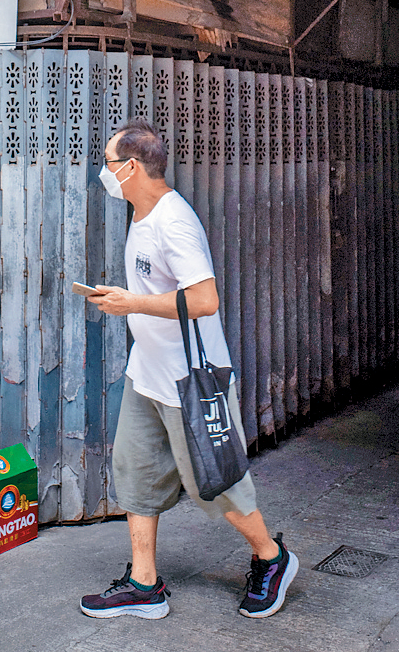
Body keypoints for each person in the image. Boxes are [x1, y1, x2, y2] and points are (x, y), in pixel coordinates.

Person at [79, 119, 298, 621]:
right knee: (136, 474)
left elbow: (204, 299)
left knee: (214, 483)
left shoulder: (173, 221)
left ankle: (272, 558)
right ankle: (143, 584)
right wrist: (127, 300)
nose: (105, 173)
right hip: (148, 374)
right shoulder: (140, 215)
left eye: (109, 164)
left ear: (131, 167)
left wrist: (132, 301)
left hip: (191, 380)